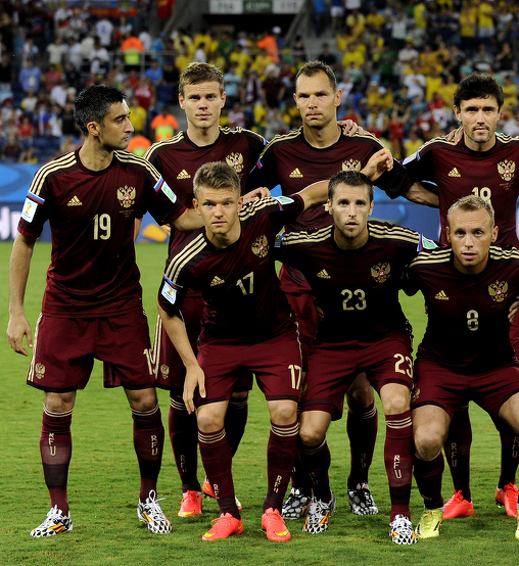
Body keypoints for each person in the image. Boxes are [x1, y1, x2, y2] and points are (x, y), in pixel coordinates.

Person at [385, 72, 519, 520]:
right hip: (455, 281)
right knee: (452, 389)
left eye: (488, 109)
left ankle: (507, 485)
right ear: (457, 113)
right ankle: (460, 494)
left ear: (500, 113)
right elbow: (395, 180)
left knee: (511, 394)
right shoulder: (437, 152)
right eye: (472, 109)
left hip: (509, 286)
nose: (480, 118)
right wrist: (433, 204)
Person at [6, 84, 204, 537]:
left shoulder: (139, 171)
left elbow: (183, 219)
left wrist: (232, 211)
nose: (131, 126)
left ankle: (148, 501)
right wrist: (16, 312)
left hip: (121, 308)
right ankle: (60, 511)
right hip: (64, 309)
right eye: (120, 119)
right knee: (58, 402)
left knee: (145, 399)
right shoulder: (51, 176)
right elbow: (24, 241)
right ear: (94, 128)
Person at [250, 60, 436, 520]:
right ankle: (303, 486)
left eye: (320, 94)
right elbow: (247, 199)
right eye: (303, 96)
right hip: (295, 288)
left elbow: (408, 188)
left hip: (355, 285)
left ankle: (358, 481)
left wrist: (463, 196)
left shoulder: (365, 145)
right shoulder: (279, 151)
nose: (311, 103)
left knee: (360, 393)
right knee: (293, 397)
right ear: (294, 101)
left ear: (337, 98)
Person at [155, 162, 326, 542]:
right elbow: (167, 310)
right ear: (196, 206)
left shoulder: (265, 216)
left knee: (284, 411)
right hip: (220, 342)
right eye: (210, 204)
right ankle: (228, 513)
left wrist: (356, 181)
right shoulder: (186, 259)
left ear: (239, 203)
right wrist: (191, 366)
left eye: (227, 203)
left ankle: (272, 509)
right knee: (208, 420)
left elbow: (312, 194)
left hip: (275, 335)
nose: (219, 212)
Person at [278, 170, 433, 545]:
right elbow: (250, 243)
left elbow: (449, 260)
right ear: (328, 206)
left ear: (371, 207)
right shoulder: (306, 245)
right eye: (343, 203)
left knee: (397, 404)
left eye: (360, 203)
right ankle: (323, 496)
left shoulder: (401, 240)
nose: (351, 211)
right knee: (310, 432)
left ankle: (400, 514)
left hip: (386, 339)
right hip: (333, 343)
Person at [145, 61, 269, 519]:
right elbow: (167, 216)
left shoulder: (249, 145)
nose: (203, 104)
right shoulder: (160, 156)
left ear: (222, 99)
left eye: (210, 96)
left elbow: (295, 162)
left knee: (237, 394)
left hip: (238, 290)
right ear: (182, 101)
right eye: (194, 97)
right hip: (187, 288)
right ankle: (188, 488)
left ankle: (219, 476)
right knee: (182, 393)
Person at [405, 195, 519, 541]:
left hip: (496, 367)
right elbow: (387, 285)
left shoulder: (516, 263)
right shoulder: (424, 266)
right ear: (447, 233)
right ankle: (432, 508)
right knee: (427, 439)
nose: (469, 242)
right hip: (440, 368)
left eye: (478, 232)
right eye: (460, 233)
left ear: (494, 233)